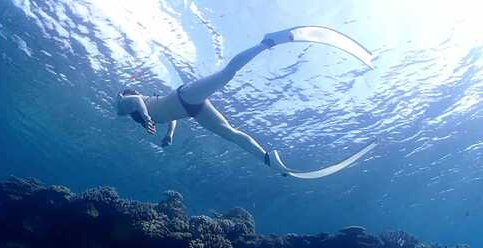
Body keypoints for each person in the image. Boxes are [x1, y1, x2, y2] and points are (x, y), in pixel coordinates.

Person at [117, 27, 376, 179]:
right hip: (191, 111)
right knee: (230, 134)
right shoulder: (143, 112)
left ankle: (268, 41)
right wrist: (170, 135)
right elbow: (169, 117)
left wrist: (147, 116)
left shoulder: (128, 102)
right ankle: (267, 159)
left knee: (226, 74)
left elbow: (136, 100)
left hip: (185, 96)